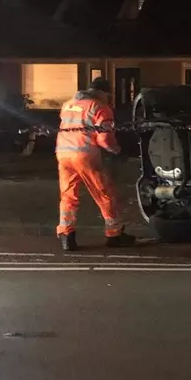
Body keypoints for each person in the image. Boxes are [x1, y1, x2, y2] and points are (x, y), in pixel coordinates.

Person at [55, 77, 136, 251]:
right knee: (105, 194)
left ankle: (66, 234)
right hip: (85, 154)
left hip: (63, 153)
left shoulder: (68, 104)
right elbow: (104, 138)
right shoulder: (100, 107)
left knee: (68, 196)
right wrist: (116, 150)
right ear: (105, 93)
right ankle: (114, 234)